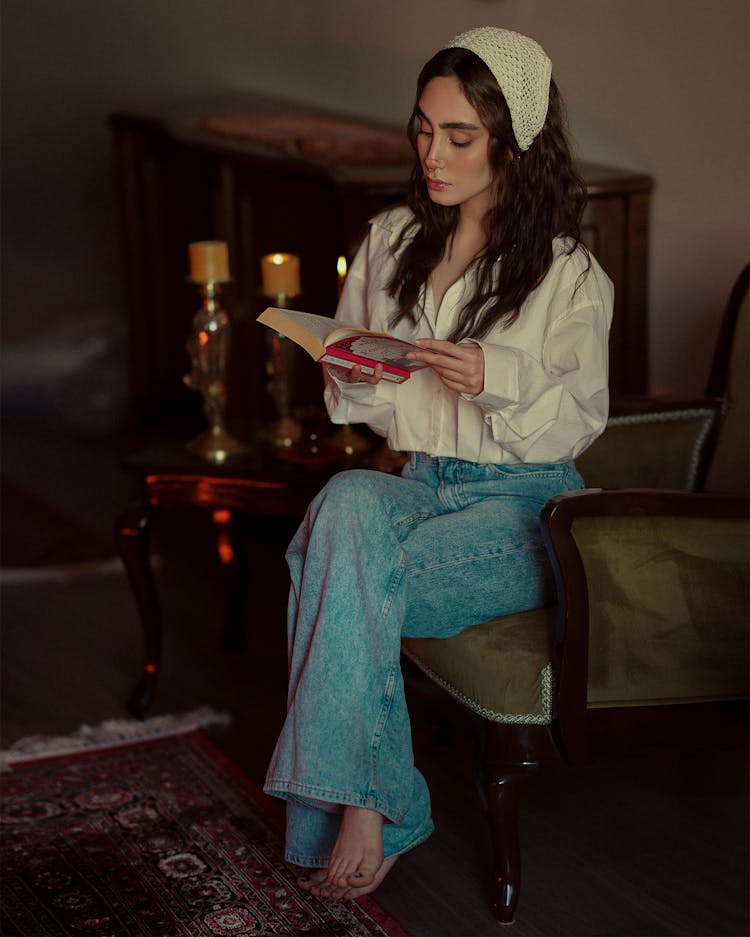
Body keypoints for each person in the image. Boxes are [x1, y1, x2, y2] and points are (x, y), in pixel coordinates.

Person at [263, 26, 614, 901]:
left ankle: (360, 808)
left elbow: (576, 420)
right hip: (421, 483)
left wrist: (495, 377)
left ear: (512, 142)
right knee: (346, 503)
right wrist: (353, 371)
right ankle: (384, 800)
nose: (432, 152)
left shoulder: (570, 276)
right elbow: (372, 408)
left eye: (459, 136)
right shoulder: (390, 240)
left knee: (331, 570)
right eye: (424, 128)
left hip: (527, 509)